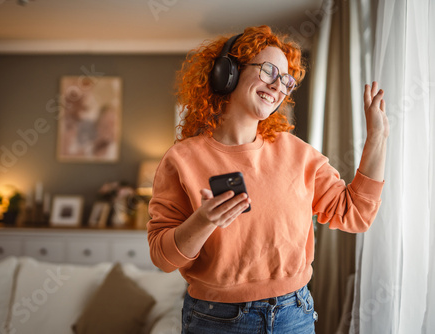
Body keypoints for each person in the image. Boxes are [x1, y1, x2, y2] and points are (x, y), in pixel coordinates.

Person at [147, 25, 388, 334]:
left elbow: (357, 214)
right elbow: (162, 258)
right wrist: (203, 221)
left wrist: (377, 139)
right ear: (227, 73)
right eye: (269, 71)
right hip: (216, 320)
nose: (278, 85)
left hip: (294, 314)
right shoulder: (181, 160)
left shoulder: (299, 154)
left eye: (286, 80)